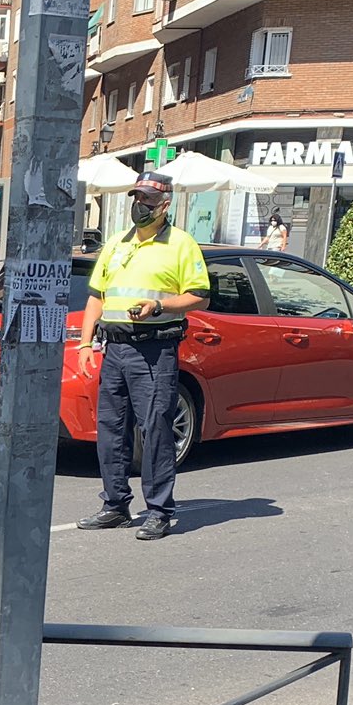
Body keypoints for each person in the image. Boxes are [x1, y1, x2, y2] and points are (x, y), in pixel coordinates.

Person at [75, 170, 210, 541]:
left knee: (154, 429)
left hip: (154, 349)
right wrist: (86, 344)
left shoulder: (181, 244)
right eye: (137, 199)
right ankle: (115, 505)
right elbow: (96, 297)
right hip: (114, 349)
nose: (140, 206)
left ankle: (159, 511)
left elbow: (200, 295)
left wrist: (159, 304)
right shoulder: (117, 242)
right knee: (111, 429)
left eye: (148, 201)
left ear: (165, 205)